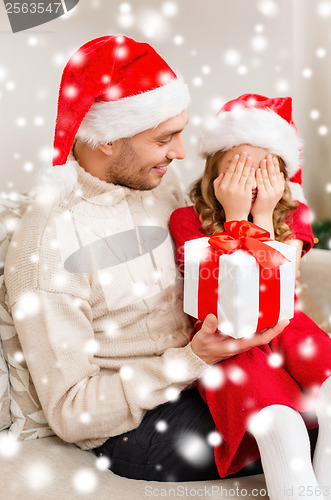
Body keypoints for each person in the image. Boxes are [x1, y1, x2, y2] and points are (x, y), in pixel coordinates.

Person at [4, 37, 286, 483]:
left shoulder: (154, 186)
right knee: (298, 433)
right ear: (108, 138)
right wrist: (191, 359)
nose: (180, 153)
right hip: (137, 426)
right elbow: (72, 414)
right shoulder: (48, 245)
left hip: (210, 376)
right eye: (165, 138)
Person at [169, 94, 331, 498]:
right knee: (282, 425)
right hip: (229, 341)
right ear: (214, 173)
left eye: (266, 170)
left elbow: (273, 294)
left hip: (286, 326)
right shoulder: (185, 221)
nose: (252, 183)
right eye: (238, 169)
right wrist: (236, 218)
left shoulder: (293, 217)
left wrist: (265, 217)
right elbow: (233, 304)